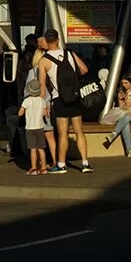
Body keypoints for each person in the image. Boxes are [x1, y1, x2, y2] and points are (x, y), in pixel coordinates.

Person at [38, 29, 93, 174]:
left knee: (62, 133)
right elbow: (84, 69)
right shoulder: (70, 53)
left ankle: (61, 165)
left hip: (59, 98)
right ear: (57, 40)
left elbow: (42, 85)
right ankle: (85, 163)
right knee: (79, 131)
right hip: (74, 97)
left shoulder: (43, 61)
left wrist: (43, 104)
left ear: (46, 41)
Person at [102, 76, 131, 158]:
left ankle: (114, 134)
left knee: (128, 116)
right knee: (126, 124)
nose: (124, 85)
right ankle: (130, 150)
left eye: (126, 83)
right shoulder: (123, 92)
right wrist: (119, 99)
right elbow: (122, 107)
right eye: (122, 83)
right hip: (127, 114)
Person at [18, 78, 48, 175]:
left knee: (33, 149)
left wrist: (22, 111)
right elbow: (45, 113)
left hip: (30, 128)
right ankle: (43, 168)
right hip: (40, 127)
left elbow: (20, 113)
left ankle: (34, 168)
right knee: (41, 148)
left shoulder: (26, 101)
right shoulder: (42, 100)